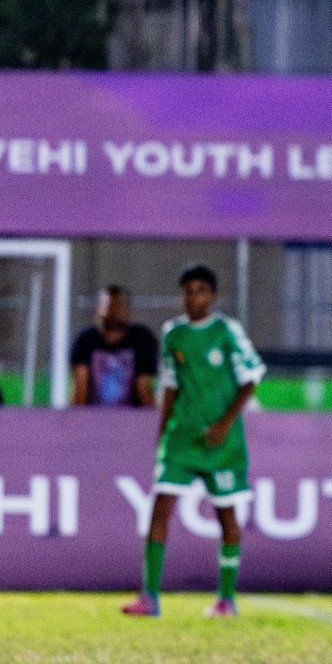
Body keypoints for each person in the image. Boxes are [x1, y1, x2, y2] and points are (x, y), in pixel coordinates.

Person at [121, 265, 264, 619]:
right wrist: (162, 436)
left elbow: (252, 377)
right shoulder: (173, 334)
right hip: (183, 439)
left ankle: (226, 599)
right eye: (187, 290)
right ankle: (150, 596)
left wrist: (225, 423)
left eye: (200, 290)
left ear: (212, 296)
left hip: (222, 443)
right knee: (160, 507)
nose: (193, 296)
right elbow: (170, 387)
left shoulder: (226, 330)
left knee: (226, 514)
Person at [70, 285, 158, 407]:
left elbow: (144, 385)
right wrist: (75, 420)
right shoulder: (85, 340)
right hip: (92, 417)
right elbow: (80, 386)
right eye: (108, 306)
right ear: (98, 309)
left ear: (128, 310)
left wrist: (152, 420)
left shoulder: (142, 338)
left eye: (118, 306)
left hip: (132, 418)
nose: (113, 312)